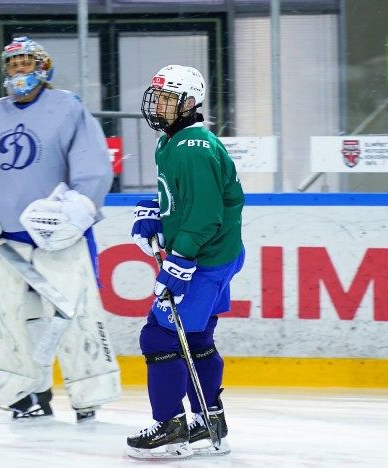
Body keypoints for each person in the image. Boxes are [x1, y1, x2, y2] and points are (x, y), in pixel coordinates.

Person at [0, 37, 121, 422]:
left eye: (27, 63)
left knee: (76, 315)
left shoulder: (67, 107)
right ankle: (26, 393)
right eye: (13, 65)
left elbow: (93, 167)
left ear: (44, 67)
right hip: (4, 241)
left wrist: (77, 209)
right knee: (8, 321)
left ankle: (88, 392)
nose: (20, 71)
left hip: (59, 239)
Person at [127, 65, 245, 459]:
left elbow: (207, 213)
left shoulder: (193, 148)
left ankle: (171, 428)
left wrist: (181, 259)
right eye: (157, 96)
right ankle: (209, 421)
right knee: (195, 339)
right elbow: (187, 200)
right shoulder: (173, 141)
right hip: (216, 254)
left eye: (168, 98)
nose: (159, 104)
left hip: (204, 259)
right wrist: (158, 210)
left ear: (190, 102)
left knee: (159, 336)